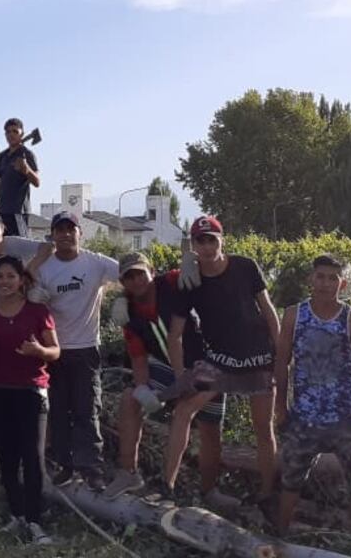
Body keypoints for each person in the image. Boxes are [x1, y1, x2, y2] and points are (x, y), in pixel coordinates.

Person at [162, 216, 281, 509]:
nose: (206, 246)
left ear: (221, 240)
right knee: (184, 410)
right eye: (199, 241)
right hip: (220, 361)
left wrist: (280, 357)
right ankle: (167, 487)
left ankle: (268, 495)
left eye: (211, 239)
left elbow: (269, 311)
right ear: (193, 245)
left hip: (258, 357)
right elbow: (174, 334)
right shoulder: (188, 280)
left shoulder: (245, 266)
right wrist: (181, 378)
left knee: (263, 429)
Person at [103, 253, 236, 509]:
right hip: (168, 366)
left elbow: (206, 268)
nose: (136, 280)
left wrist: (191, 259)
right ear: (122, 282)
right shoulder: (127, 313)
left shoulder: (173, 282)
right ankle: (132, 474)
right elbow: (139, 360)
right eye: (128, 277)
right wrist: (143, 388)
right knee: (131, 399)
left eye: (140, 273)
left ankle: (209, 492)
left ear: (152, 271)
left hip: (213, 361)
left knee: (210, 431)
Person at [0, 255, 60, 545]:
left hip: (31, 391)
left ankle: (35, 522)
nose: (5, 281)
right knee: (7, 458)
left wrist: (39, 352)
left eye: (10, 276)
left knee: (33, 458)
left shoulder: (38, 311)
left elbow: (56, 351)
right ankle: (16, 515)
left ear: (21, 280)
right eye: (0, 276)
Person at [274, 254, 351, 534]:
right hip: (303, 418)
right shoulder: (294, 316)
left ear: (342, 284)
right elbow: (281, 366)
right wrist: (281, 411)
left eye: (333, 278)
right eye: (321, 277)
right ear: (311, 280)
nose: (326, 283)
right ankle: (280, 537)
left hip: (343, 418)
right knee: (291, 480)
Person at [28, 211, 119, 489]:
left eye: (71, 229)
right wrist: (33, 298)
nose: (66, 234)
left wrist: (124, 298)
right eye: (60, 230)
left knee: (87, 408)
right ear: (53, 235)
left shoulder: (96, 263)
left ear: (80, 233)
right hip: (53, 350)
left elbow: (133, 272)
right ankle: (65, 466)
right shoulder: (45, 269)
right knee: (57, 410)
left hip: (86, 348)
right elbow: (22, 292)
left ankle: (91, 469)